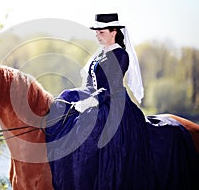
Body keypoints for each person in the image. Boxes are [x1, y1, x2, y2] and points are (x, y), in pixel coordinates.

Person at [45, 13, 199, 190]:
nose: (97, 35)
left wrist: (89, 103)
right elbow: (90, 84)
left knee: (89, 137)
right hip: (98, 101)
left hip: (114, 106)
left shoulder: (120, 55)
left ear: (113, 32)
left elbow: (111, 87)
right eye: (96, 32)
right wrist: (71, 96)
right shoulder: (100, 55)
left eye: (101, 32)